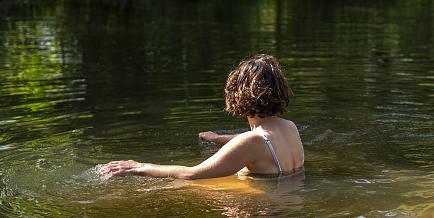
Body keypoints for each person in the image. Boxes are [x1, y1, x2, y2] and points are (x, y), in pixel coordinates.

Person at [101, 54, 304, 180]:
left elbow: (191, 174)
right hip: (287, 209)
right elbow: (257, 141)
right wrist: (218, 139)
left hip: (263, 214)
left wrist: (139, 167)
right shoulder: (289, 127)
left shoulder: (253, 141)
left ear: (239, 96)